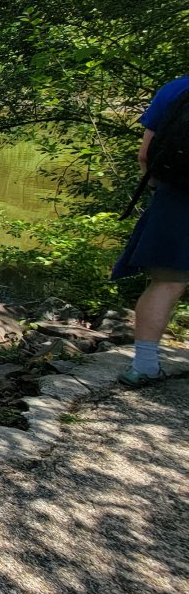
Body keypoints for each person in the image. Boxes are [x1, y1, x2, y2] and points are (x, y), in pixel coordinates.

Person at [113, 74, 189, 386]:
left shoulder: (177, 89)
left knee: (166, 283)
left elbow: (145, 154)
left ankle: (144, 365)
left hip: (177, 197)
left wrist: (158, 189)